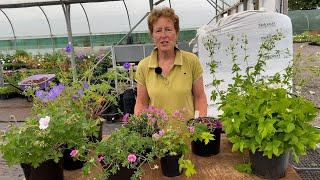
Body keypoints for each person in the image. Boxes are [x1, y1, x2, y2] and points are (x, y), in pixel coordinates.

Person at [134, 7, 207, 120]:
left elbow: (200, 98)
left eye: (168, 29)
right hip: (156, 136)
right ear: (152, 35)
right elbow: (141, 104)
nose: (164, 35)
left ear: (176, 33)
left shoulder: (191, 61)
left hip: (188, 135)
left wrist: (199, 126)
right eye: (158, 30)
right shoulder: (144, 66)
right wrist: (140, 130)